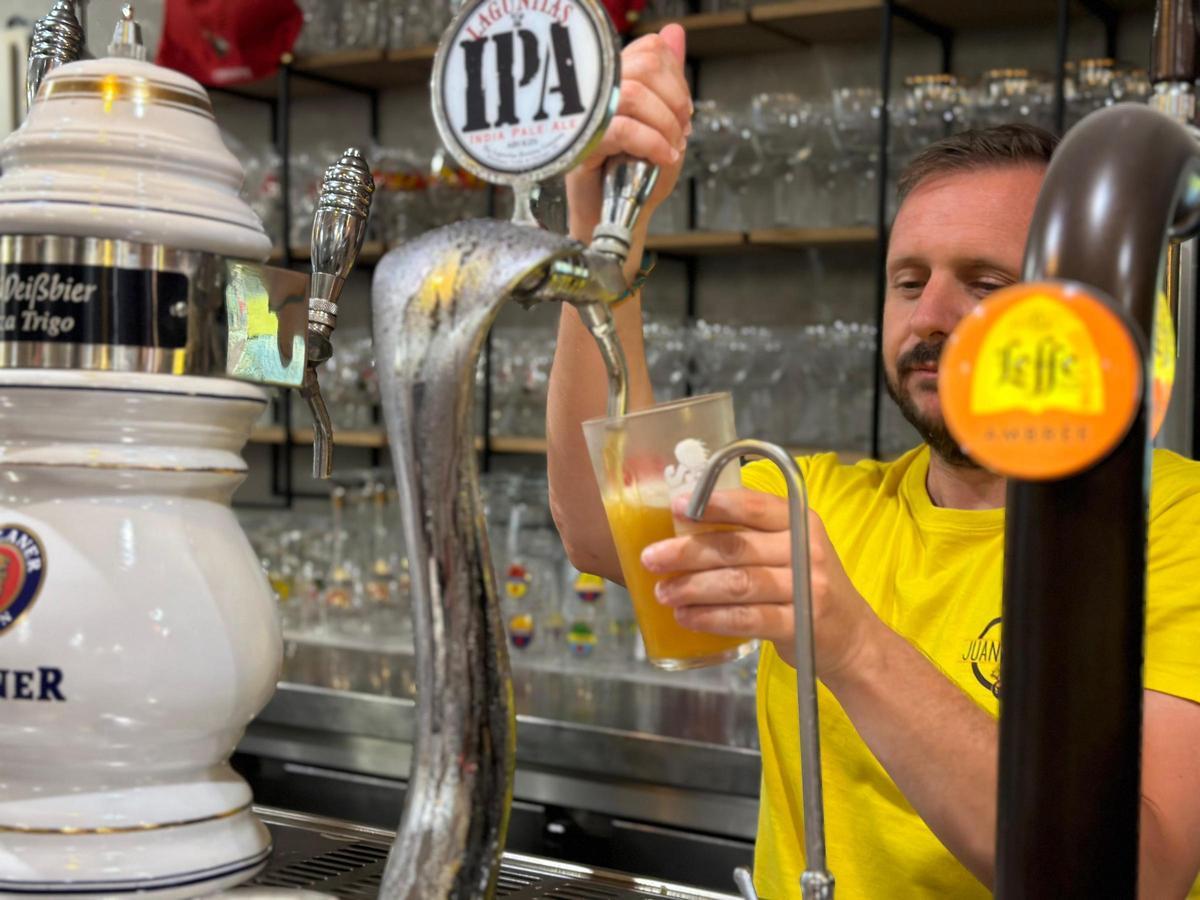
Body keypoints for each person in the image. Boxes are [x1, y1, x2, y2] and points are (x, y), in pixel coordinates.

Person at [546, 23, 1200, 900]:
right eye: (907, 280)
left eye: (985, 282)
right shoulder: (816, 499)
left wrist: (851, 642)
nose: (931, 314)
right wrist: (601, 228)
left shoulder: (1171, 522)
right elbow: (598, 528)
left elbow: (1138, 872)